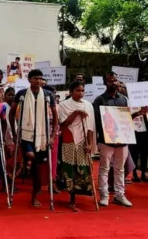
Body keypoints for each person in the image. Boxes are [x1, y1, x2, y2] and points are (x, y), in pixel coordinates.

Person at [92, 71, 142, 208]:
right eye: (110, 81)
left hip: (123, 141)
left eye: (115, 80)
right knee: (104, 168)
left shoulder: (124, 99)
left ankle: (120, 195)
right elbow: (98, 121)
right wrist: (112, 134)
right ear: (105, 83)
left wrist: (138, 113)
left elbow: (125, 119)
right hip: (107, 140)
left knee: (120, 169)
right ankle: (104, 195)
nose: (113, 83)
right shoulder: (99, 100)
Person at [9, 69, 57, 207]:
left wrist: (52, 136)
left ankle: (35, 195)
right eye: (35, 78)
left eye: (41, 79)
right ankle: (29, 162)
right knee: (31, 156)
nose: (39, 81)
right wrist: (14, 132)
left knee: (37, 168)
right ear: (29, 80)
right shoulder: (22, 94)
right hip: (26, 135)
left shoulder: (48, 95)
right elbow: (12, 114)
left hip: (42, 136)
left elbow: (55, 118)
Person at [56, 81, 95, 212]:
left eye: (82, 91)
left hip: (83, 140)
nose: (80, 93)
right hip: (69, 139)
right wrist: (76, 113)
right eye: (77, 90)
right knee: (69, 168)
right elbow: (63, 124)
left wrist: (90, 143)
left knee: (82, 168)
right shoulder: (63, 105)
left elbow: (90, 126)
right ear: (71, 92)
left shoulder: (88, 105)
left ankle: (81, 194)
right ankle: (71, 198)